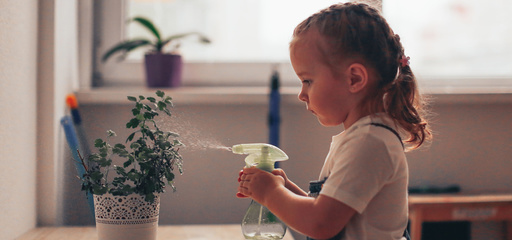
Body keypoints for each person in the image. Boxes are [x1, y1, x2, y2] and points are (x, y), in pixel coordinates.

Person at [237, 2, 432, 240]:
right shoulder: (362, 138)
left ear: (354, 78)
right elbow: (332, 214)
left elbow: (320, 224)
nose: (302, 94)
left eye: (307, 80)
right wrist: (285, 189)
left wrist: (270, 193)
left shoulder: (369, 143)